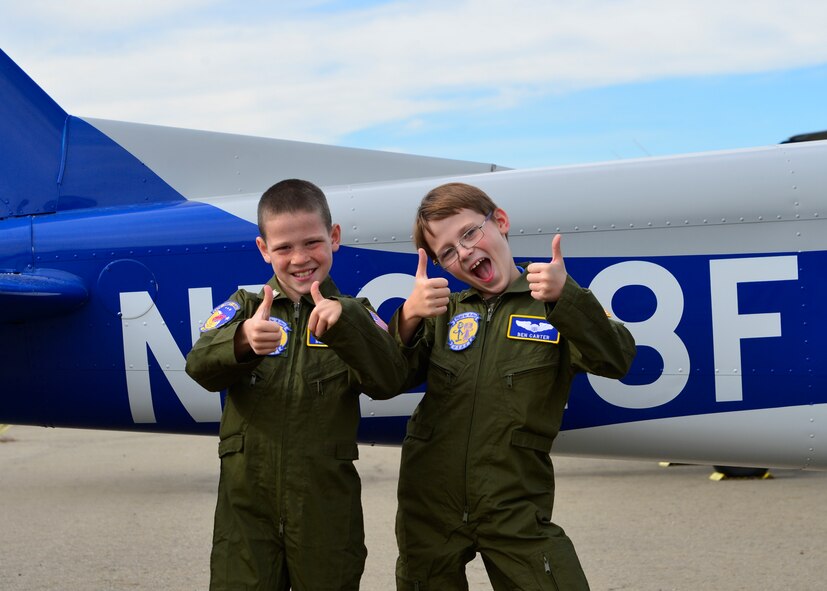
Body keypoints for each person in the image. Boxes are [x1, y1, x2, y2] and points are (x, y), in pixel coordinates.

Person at [391, 182, 637, 590]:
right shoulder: (443, 314)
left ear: (500, 222)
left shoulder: (554, 303)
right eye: (447, 253)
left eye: (469, 233)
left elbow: (617, 359)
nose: (465, 253)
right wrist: (408, 317)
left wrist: (567, 298)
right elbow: (388, 378)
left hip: (514, 502)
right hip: (430, 502)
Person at [186, 179, 404, 591]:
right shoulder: (246, 308)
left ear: (334, 237)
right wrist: (243, 340)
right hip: (246, 510)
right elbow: (198, 365)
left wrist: (347, 327)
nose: (300, 258)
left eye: (312, 243)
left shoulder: (356, 314)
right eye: (283, 247)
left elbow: (390, 379)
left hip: (324, 510)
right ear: (264, 249)